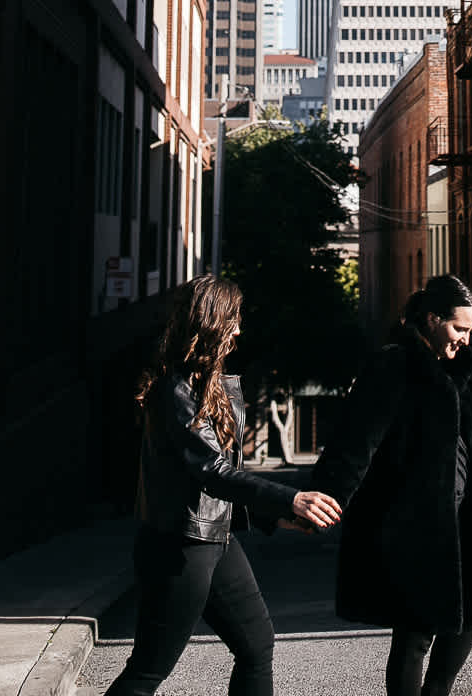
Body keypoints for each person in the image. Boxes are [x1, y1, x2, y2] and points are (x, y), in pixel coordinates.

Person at [105, 272, 341, 696]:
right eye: (231, 319)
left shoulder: (210, 384)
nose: (238, 328)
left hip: (217, 540)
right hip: (179, 546)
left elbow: (223, 478)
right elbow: (212, 470)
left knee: (256, 645)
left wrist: (272, 520)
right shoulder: (172, 390)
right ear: (210, 322)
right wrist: (291, 500)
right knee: (147, 671)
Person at [311, 272, 472, 696]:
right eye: (459, 329)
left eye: (471, 331)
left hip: (464, 520)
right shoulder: (394, 365)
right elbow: (356, 442)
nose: (465, 341)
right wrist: (323, 500)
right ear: (432, 319)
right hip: (415, 522)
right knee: (416, 632)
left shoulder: (456, 372)